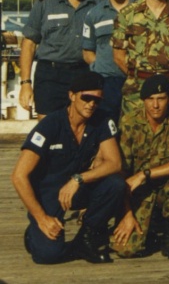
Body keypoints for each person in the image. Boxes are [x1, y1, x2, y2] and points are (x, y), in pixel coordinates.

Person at [11, 71, 124, 264]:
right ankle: (34, 233)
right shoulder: (50, 125)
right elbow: (19, 176)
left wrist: (78, 179)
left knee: (115, 184)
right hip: (48, 193)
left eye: (97, 100)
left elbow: (115, 163)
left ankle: (85, 238)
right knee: (48, 255)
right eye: (86, 98)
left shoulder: (101, 121)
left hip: (77, 187)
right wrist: (42, 218)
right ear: (72, 96)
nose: (91, 104)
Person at [111, 75, 169, 261]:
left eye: (161, 99)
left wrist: (145, 174)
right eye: (150, 99)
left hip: (166, 185)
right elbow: (120, 173)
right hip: (137, 191)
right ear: (143, 100)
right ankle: (147, 230)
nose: (155, 105)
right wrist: (127, 214)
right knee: (127, 250)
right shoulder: (130, 122)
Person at [19, 0, 104, 118]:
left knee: (83, 128)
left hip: (85, 73)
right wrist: (25, 83)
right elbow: (29, 43)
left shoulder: (99, 2)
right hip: (50, 75)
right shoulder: (45, 3)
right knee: (48, 127)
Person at [82, 0, 135, 120]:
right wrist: (101, 66)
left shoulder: (142, 11)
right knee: (106, 131)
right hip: (106, 83)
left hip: (135, 81)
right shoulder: (94, 14)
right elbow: (87, 51)